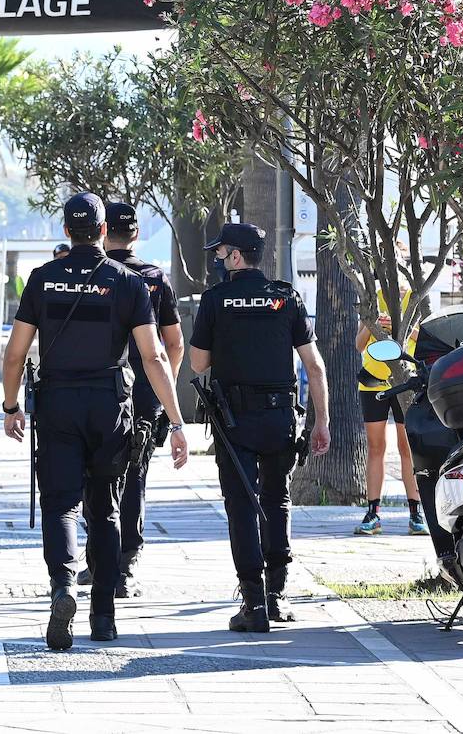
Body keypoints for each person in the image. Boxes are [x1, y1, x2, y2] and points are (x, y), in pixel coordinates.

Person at [2, 192, 190, 650]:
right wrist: (177, 421)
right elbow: (153, 355)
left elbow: (15, 353)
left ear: (66, 230)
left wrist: (11, 406)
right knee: (104, 510)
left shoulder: (43, 279)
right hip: (109, 405)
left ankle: (63, 587)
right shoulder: (127, 282)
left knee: (61, 504)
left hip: (58, 403)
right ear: (104, 230)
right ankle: (103, 615)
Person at [189, 223, 332, 633]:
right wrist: (321, 422)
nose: (217, 260)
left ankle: (252, 601)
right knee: (276, 499)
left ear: (236, 256)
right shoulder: (286, 297)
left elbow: (198, 365)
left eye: (220, 254)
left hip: (235, 422)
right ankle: (277, 595)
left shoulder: (216, 300)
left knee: (241, 505)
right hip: (280, 417)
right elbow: (315, 366)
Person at [77, 202, 184, 597]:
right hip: (144, 393)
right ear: (136, 234)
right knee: (135, 476)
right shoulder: (155, 278)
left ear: (104, 232)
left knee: (95, 474)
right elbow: (173, 344)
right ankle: (125, 564)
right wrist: (164, 390)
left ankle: (98, 558)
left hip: (101, 390)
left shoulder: (96, 274)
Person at [354, 288, 426, 536]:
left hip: (405, 381)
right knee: (376, 447)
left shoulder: (415, 296)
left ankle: (416, 513)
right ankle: (373, 512)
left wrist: (399, 326)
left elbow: (424, 338)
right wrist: (372, 325)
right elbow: (359, 344)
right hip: (372, 382)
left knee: (407, 447)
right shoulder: (372, 297)